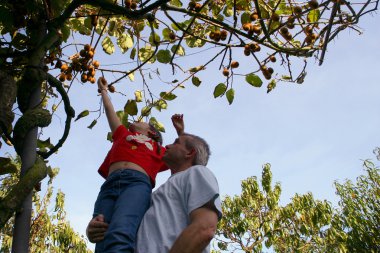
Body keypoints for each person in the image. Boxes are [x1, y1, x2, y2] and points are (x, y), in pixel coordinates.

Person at [86, 118, 222, 253]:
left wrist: (182, 134)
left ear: (190, 153)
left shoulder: (197, 173)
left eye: (176, 142)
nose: (167, 146)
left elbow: (204, 228)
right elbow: (124, 229)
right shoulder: (155, 195)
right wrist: (95, 229)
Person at [93, 77, 184, 252]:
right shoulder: (122, 134)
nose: (137, 119)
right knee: (101, 236)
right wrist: (103, 91)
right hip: (109, 185)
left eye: (144, 122)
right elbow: (110, 111)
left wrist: (180, 132)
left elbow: (182, 155)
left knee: (120, 234)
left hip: (136, 184)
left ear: (151, 131)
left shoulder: (158, 148)